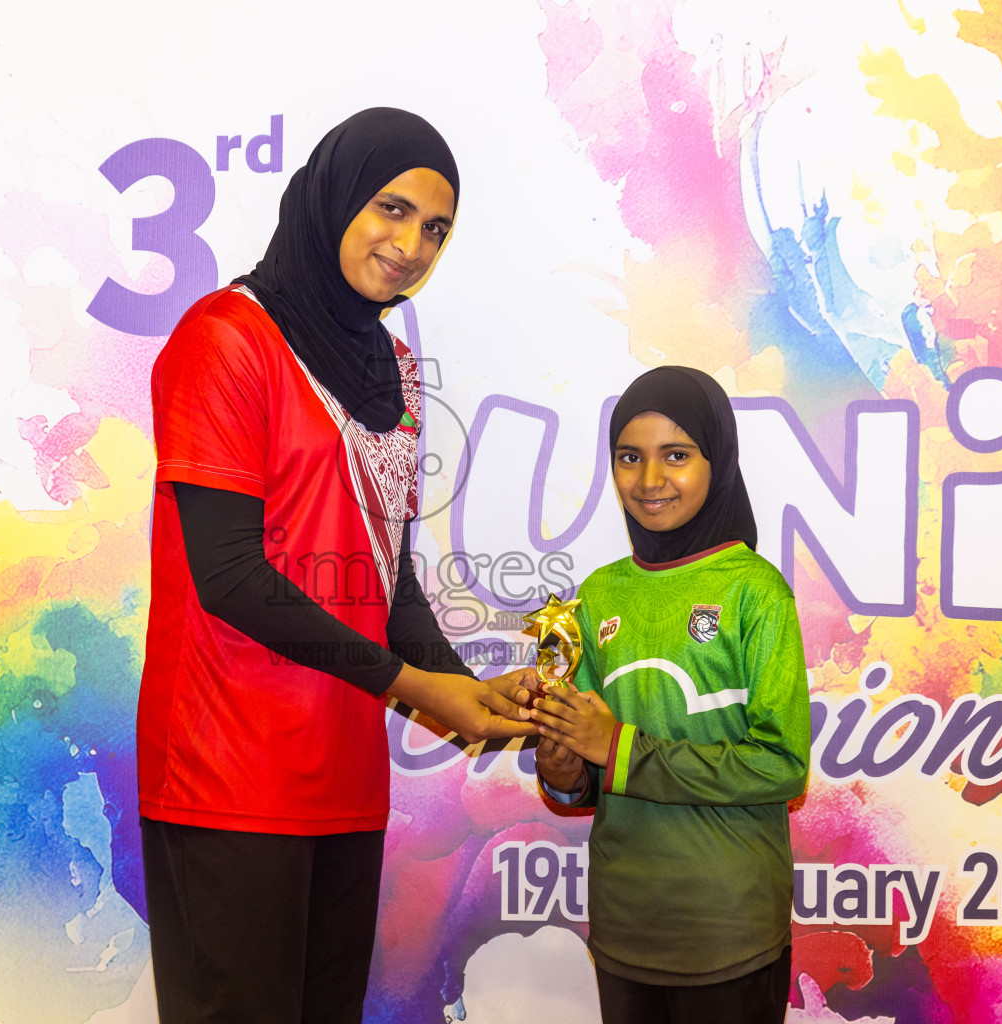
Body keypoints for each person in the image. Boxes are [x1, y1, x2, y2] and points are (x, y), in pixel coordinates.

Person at [139, 107, 536, 1024]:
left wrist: (463, 685)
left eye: (435, 229)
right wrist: (411, 686)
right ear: (334, 197)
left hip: (344, 782)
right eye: (391, 210)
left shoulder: (391, 368)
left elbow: (381, 569)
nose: (411, 246)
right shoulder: (227, 338)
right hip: (226, 777)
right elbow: (228, 575)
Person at [531, 365, 811, 1024]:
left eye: (676, 456)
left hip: (729, 933)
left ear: (718, 460)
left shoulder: (756, 592)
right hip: (625, 929)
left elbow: (782, 766)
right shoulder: (597, 596)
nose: (650, 480)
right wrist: (563, 764)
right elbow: (586, 777)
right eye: (630, 457)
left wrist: (619, 748)